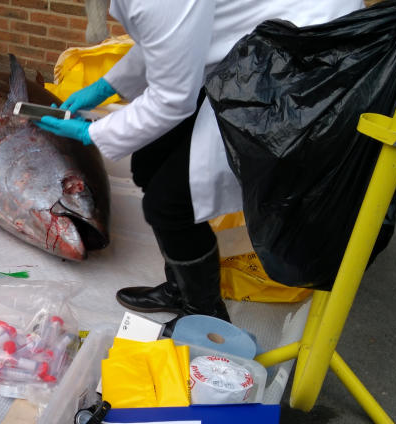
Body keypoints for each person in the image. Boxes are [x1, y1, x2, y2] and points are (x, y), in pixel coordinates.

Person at [37, 0, 363, 323]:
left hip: (295, 56)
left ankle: (204, 311)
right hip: (254, 43)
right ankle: (182, 286)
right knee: (149, 163)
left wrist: (93, 133)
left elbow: (172, 100)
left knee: (171, 201)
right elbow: (170, 39)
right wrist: (107, 85)